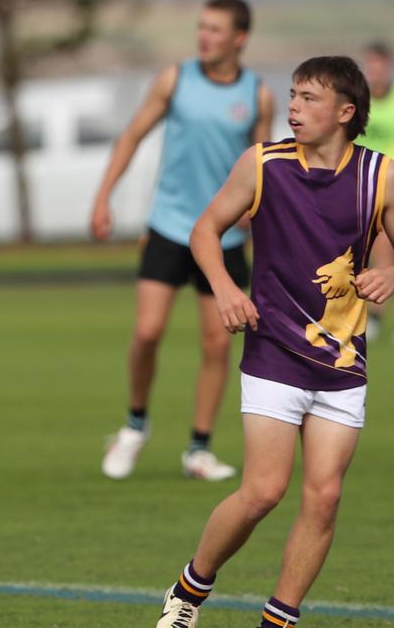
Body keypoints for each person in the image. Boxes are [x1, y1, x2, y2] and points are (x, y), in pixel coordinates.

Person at [155, 56, 388, 628]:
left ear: (345, 112)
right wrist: (226, 287)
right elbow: (204, 229)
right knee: (263, 492)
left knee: (325, 497)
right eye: (291, 95)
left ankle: (278, 620)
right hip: (273, 353)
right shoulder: (262, 164)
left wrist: (390, 272)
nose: (292, 108)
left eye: (308, 99)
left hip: (342, 359)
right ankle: (189, 591)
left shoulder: (379, 174)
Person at [90, 0, 275, 481]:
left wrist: (253, 211)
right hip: (169, 227)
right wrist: (103, 196)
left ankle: (198, 449)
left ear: (239, 38)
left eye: (215, 29)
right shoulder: (176, 79)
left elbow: (263, 162)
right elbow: (131, 136)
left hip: (223, 239)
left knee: (217, 345)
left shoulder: (257, 94)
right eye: (201, 27)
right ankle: (134, 426)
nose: (204, 36)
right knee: (148, 331)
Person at [360, 42, 394, 339]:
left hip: (389, 186)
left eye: (379, 65)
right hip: (359, 184)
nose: (375, 70)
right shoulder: (359, 102)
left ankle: (375, 316)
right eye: (370, 65)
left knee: (383, 249)